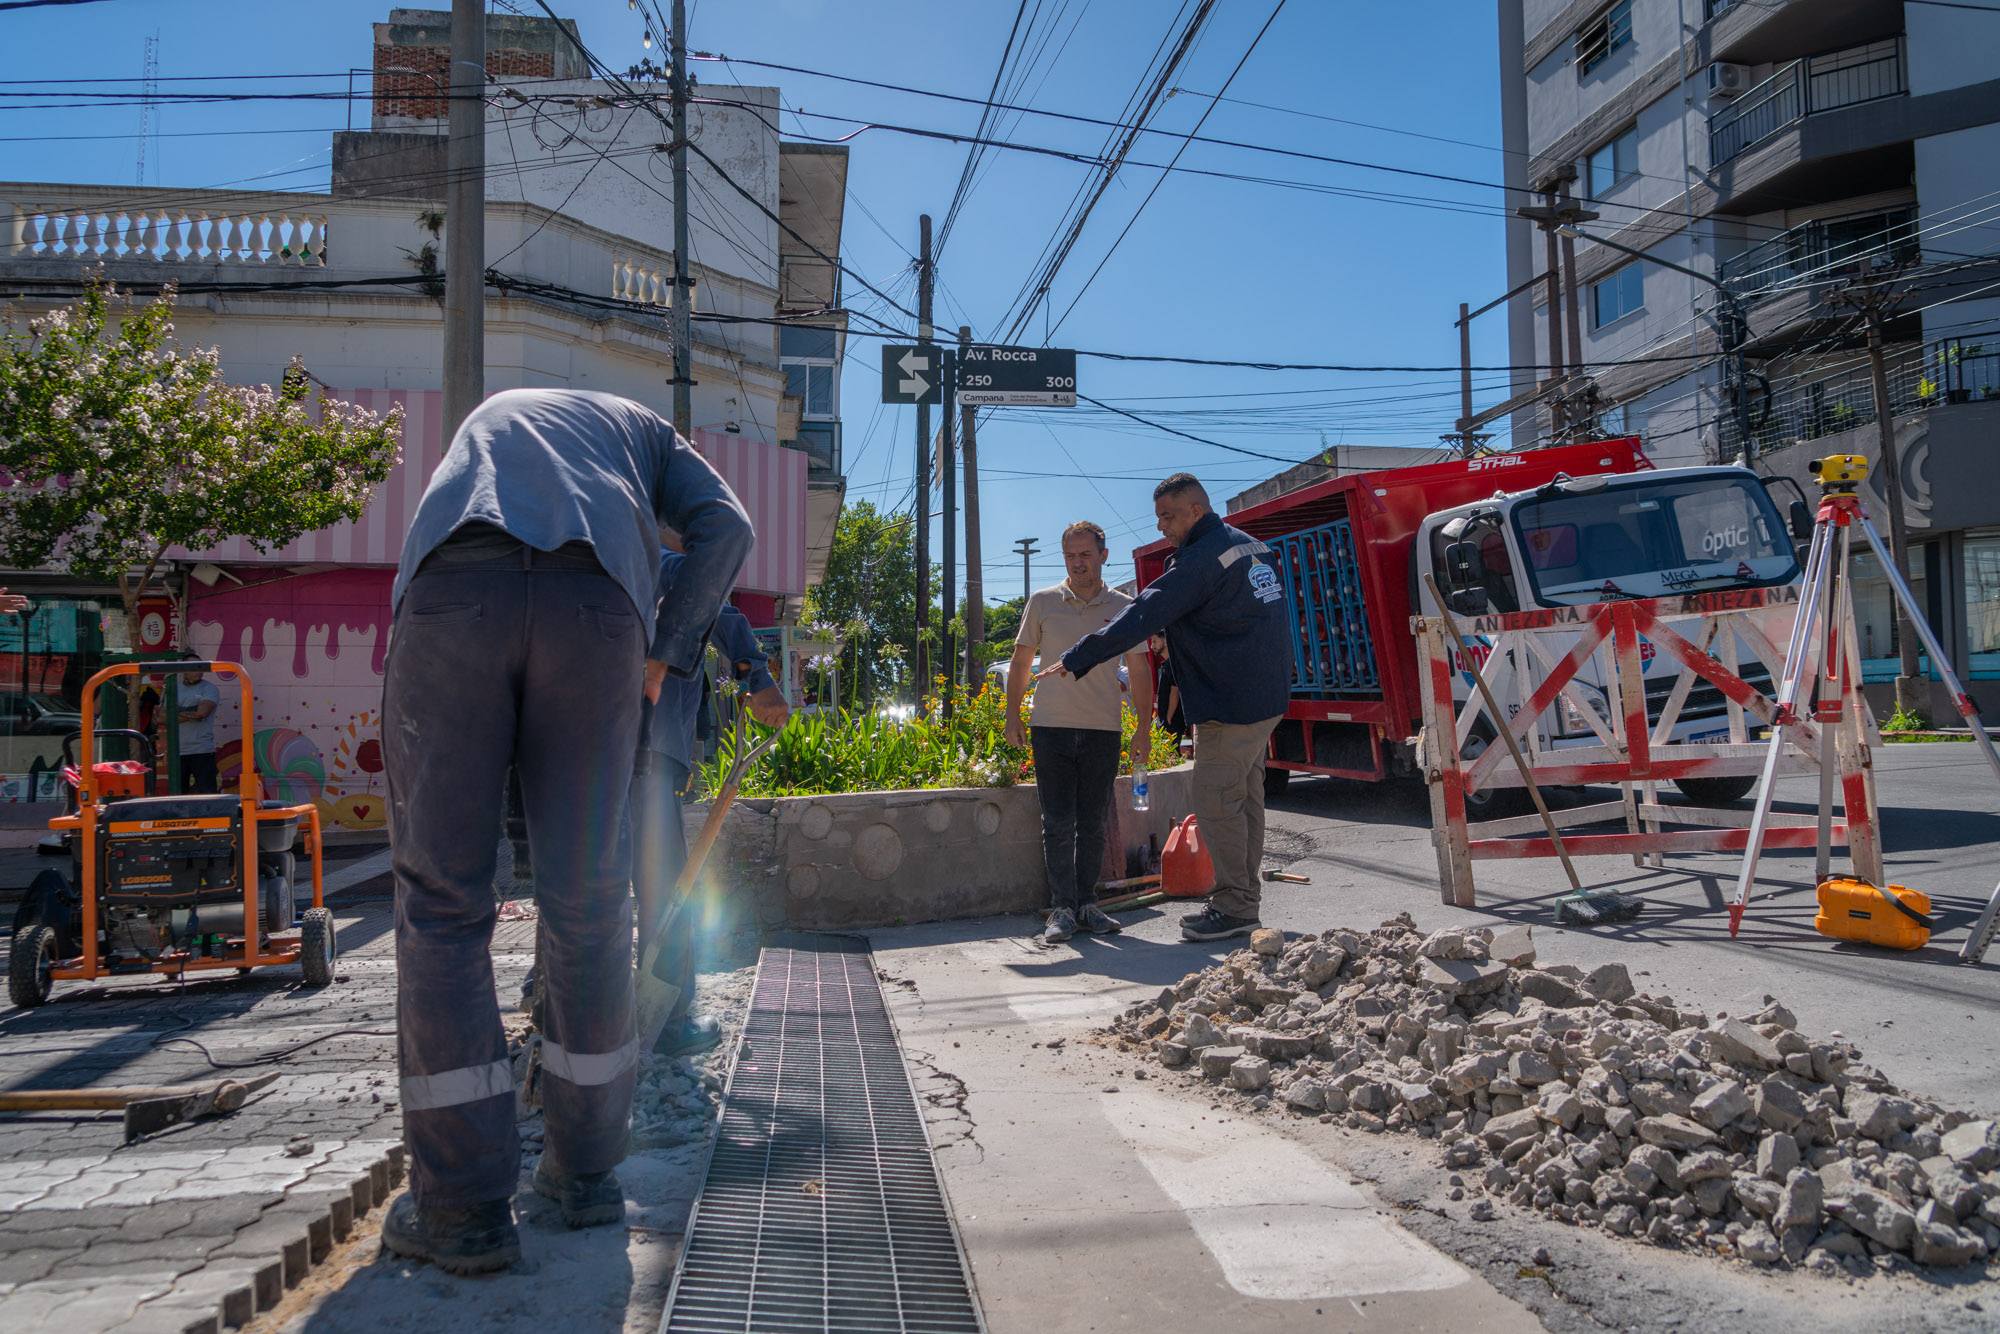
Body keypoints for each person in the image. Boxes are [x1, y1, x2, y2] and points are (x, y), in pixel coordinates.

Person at [380, 388, 750, 1274]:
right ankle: (583, 1175)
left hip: (453, 598)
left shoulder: (502, 415)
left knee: (444, 903)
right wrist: (666, 652)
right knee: (588, 901)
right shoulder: (650, 438)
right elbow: (727, 527)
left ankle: (464, 1208)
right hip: (597, 615)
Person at [1042, 474, 1289, 944]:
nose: (1161, 527)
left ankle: (1235, 907)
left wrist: (1077, 657)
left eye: (1168, 517)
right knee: (1245, 802)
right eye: (1158, 518)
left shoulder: (1201, 559)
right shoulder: (1251, 547)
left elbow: (1142, 613)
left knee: (1218, 803)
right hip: (1265, 696)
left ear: (1196, 511)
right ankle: (1244, 901)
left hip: (1229, 702)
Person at [633, 544, 789, 1056]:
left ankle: (557, 1001)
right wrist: (759, 681)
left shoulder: (577, 550)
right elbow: (723, 611)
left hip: (579, 752)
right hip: (646, 752)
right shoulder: (662, 562)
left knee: (584, 883)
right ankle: (670, 1019)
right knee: (664, 888)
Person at [1005, 520, 1152, 945]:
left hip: (1102, 728)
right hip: (1049, 727)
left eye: (1086, 554)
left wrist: (1143, 728)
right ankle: (1062, 909)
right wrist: (1013, 715)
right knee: (1056, 822)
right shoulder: (1043, 601)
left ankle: (1088, 905)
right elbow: (1020, 662)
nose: (1077, 563)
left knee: (1092, 824)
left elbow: (1140, 670)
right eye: (1070, 555)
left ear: (1104, 555)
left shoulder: (1126, 606)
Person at [175, 659, 220, 794]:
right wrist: (192, 711)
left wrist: (177, 712)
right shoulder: (174, 689)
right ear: (184, 671)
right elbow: (161, 717)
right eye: (194, 668)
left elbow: (201, 713)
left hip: (202, 750)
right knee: (178, 794)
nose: (199, 671)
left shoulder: (209, 688)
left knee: (208, 794)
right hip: (178, 751)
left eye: (201, 667)